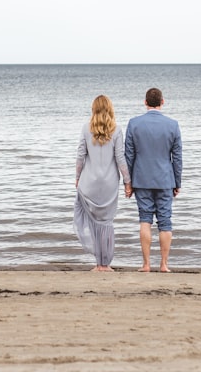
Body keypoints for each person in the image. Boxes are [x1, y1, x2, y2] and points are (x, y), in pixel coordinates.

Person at [124, 87, 182, 273]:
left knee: (145, 220)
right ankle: (164, 264)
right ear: (162, 102)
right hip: (165, 179)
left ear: (145, 102)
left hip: (141, 179)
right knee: (165, 222)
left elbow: (129, 156)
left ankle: (146, 264)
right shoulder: (172, 125)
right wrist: (177, 182)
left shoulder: (134, 124)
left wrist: (128, 182)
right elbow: (177, 157)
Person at [74, 94, 131, 271]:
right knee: (106, 223)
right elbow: (120, 158)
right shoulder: (117, 129)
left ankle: (98, 264)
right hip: (109, 184)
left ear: (94, 109)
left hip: (88, 183)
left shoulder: (85, 128)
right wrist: (128, 182)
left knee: (93, 223)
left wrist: (77, 178)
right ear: (110, 109)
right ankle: (105, 265)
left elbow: (80, 157)